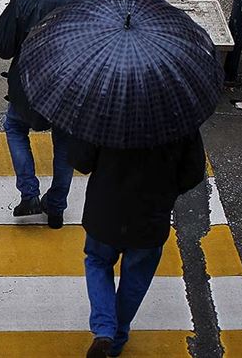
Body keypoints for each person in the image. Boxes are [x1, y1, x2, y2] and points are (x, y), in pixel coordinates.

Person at [68, 132, 207, 358]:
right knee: (136, 276)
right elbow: (193, 172)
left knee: (98, 262)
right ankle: (117, 337)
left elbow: (82, 161)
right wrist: (167, 191)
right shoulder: (179, 122)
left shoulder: (105, 116)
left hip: (105, 212)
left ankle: (104, 329)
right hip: (151, 217)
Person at [0, 0, 88, 229]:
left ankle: (29, 194)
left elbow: (3, 49)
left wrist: (17, 14)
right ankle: (56, 207)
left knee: (15, 128)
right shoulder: (88, 7)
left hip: (27, 88)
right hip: (70, 90)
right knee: (65, 145)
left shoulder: (24, 3)